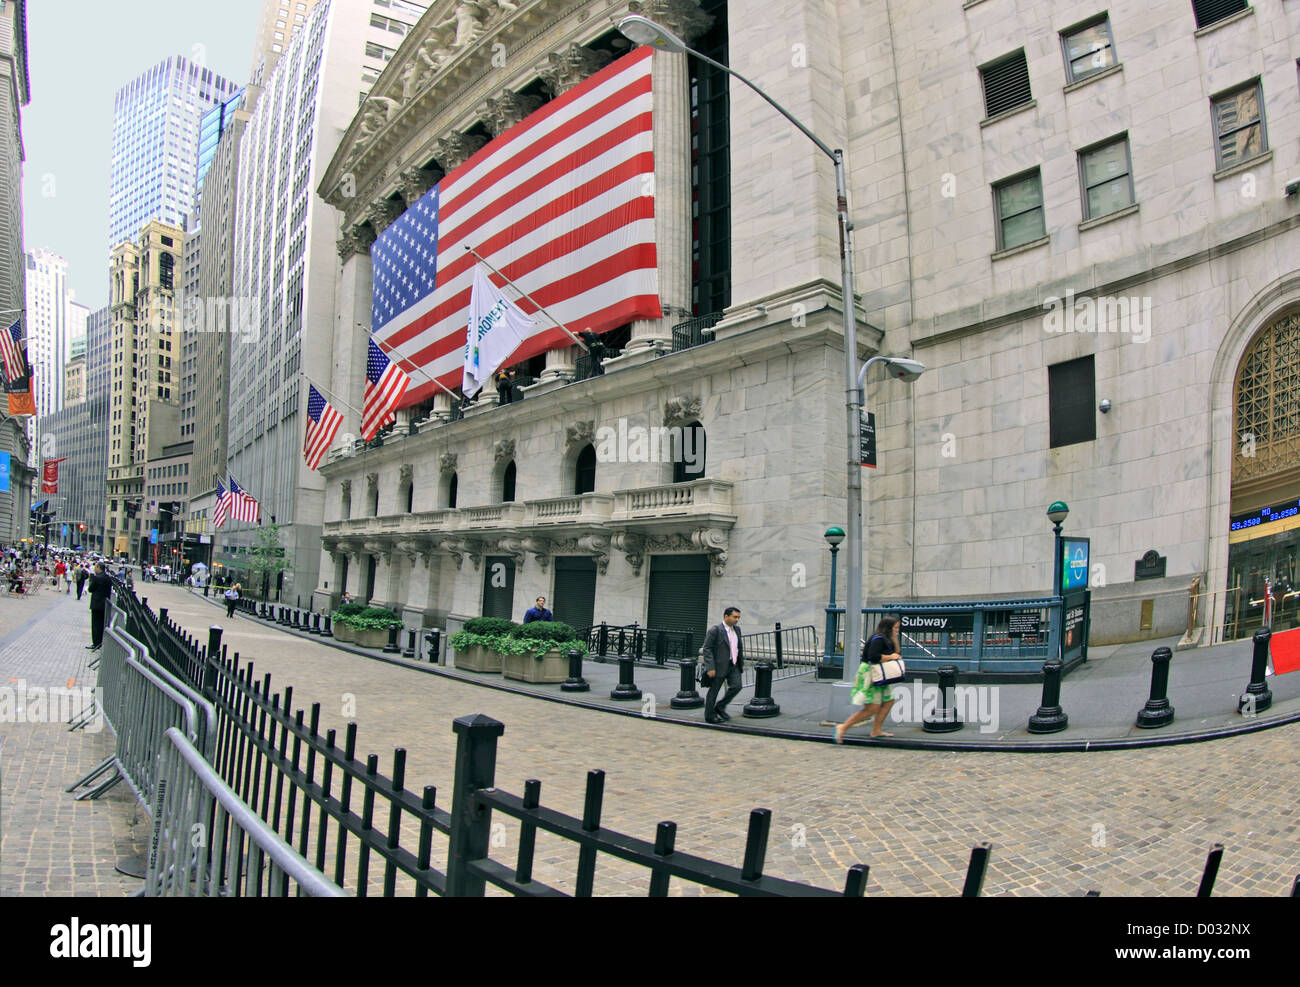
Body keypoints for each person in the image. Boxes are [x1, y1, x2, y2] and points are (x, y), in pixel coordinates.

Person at [835, 617, 902, 742]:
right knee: (872, 708)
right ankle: (843, 727)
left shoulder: (887, 639)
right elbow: (874, 656)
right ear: (888, 628)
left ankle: (876, 730)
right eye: (895, 628)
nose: (897, 630)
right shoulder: (878, 639)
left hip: (879, 675)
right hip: (870, 675)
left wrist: (894, 638)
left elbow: (897, 653)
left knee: (889, 701)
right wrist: (890, 656)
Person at [701, 606, 744, 724]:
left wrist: (741, 663)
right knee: (714, 691)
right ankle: (709, 716)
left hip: (733, 664)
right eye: (735, 617)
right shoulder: (715, 630)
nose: (737, 619)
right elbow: (707, 648)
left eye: (738, 617)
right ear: (726, 616)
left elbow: (738, 647)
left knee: (737, 686)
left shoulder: (737, 630)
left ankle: (720, 706)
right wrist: (710, 667)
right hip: (718, 666)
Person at [86, 563, 112, 651]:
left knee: (95, 624)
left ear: (98, 568)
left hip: (96, 604)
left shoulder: (97, 578)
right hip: (104, 604)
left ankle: (96, 643)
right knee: (101, 624)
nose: (94, 569)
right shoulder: (108, 578)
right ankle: (100, 642)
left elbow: (90, 589)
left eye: (95, 567)